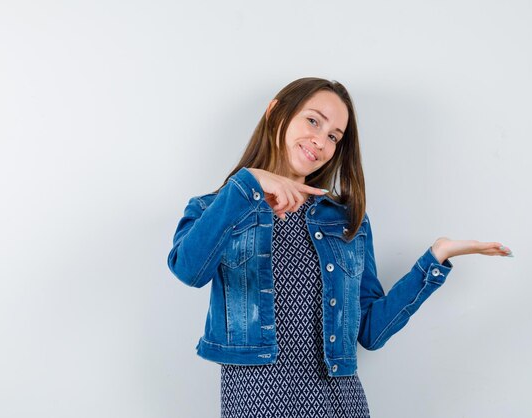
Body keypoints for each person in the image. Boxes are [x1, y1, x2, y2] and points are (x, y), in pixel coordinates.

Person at [167, 77, 513, 418]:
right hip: (257, 401)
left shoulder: (348, 221)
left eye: (333, 136)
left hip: (340, 402)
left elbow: (371, 332)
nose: (320, 140)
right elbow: (188, 270)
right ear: (276, 113)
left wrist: (435, 260)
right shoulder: (214, 207)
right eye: (313, 120)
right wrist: (248, 184)